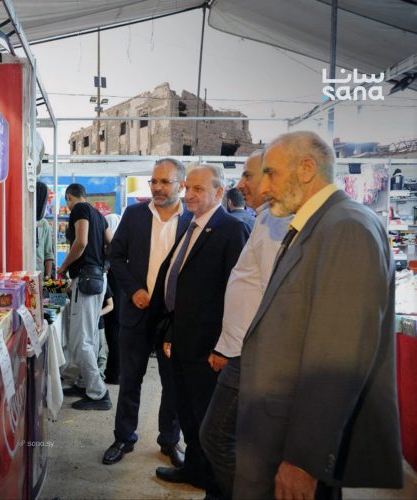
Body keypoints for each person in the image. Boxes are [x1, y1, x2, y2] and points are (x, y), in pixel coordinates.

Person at [234, 131, 403, 499]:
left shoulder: (347, 228)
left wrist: (304, 460)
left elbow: (338, 359)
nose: (263, 187)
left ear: (307, 169)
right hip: (277, 428)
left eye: (271, 173)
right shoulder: (321, 224)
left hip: (294, 442)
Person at [198, 149, 292, 499]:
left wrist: (231, 349)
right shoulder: (265, 219)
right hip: (242, 351)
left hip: (249, 355)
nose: (241, 184)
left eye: (248, 176)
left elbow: (269, 299)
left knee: (217, 437)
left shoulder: (276, 223)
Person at [154, 165, 249, 498]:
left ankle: (213, 483)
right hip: (182, 339)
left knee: (209, 419)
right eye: (188, 188)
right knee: (188, 411)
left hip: (209, 346)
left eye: (198, 189)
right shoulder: (191, 224)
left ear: (219, 193)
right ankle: (194, 468)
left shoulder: (232, 229)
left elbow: (237, 294)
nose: (189, 195)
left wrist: (224, 347)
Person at [103, 158, 192, 466]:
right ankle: (123, 436)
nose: (157, 187)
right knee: (130, 379)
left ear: (181, 185)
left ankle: (170, 440)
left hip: (173, 318)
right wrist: (133, 290)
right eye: (154, 181)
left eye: (165, 182)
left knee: (173, 383)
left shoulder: (192, 220)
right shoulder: (135, 214)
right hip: (136, 312)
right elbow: (116, 257)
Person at [58, 183, 113, 410]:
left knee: (82, 340)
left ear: (69, 197)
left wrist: (63, 267)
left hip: (86, 279)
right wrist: (102, 264)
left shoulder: (79, 209)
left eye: (67, 201)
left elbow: (80, 242)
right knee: (88, 336)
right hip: (98, 278)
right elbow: (112, 245)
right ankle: (84, 383)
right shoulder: (99, 215)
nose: (68, 205)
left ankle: (98, 394)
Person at [103, 212, 122, 384]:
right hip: (121, 304)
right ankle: (116, 372)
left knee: (113, 335)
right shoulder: (123, 249)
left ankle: (114, 373)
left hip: (114, 303)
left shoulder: (113, 252)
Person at [36, 181, 55, 279]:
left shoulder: (44, 224)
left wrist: (47, 278)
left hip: (39, 276)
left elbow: (48, 254)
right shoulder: (19, 222)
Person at [97, 284, 114, 380]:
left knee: (101, 354)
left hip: (98, 324)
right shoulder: (78, 281)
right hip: (83, 323)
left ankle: (100, 377)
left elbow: (111, 305)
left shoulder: (103, 283)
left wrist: (98, 314)